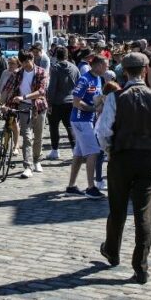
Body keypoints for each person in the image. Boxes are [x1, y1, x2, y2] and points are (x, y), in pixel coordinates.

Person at [95, 53, 151, 284]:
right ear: (145, 69)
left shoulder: (115, 98)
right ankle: (140, 266)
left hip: (121, 157)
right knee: (143, 213)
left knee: (117, 208)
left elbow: (103, 132)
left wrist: (110, 150)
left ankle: (112, 250)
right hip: (147, 159)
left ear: (125, 72)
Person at [0, 50, 48, 178]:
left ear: (32, 59)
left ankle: (37, 160)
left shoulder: (41, 72)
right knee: (26, 137)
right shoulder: (17, 74)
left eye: (28, 61)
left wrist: (24, 96)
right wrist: (2, 104)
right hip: (23, 107)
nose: (27, 64)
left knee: (38, 136)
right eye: (24, 62)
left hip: (39, 106)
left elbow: (41, 91)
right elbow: (6, 89)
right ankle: (27, 166)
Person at [65, 55, 108, 198]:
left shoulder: (98, 79)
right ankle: (91, 187)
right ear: (98, 65)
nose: (107, 68)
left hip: (87, 120)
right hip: (81, 120)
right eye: (105, 65)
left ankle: (71, 186)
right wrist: (93, 109)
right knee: (93, 152)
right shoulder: (84, 79)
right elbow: (76, 102)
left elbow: (95, 99)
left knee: (78, 154)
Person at [46, 46, 79, 161]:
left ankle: (55, 151)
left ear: (56, 56)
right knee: (70, 126)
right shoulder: (74, 68)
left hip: (56, 102)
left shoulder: (55, 68)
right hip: (71, 101)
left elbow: (52, 87)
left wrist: (49, 102)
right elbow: (79, 84)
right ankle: (75, 151)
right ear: (67, 55)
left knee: (54, 127)